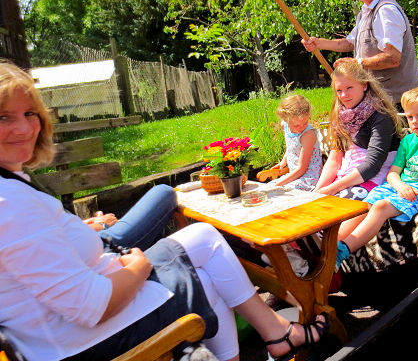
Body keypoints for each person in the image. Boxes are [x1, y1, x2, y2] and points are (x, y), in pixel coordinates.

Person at [0, 60, 328, 361]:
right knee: (203, 250)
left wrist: (82, 232)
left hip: (61, 329)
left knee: (202, 254)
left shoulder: (12, 185)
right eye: (4, 117)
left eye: (30, 114)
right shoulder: (10, 202)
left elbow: (38, 257)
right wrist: (139, 265)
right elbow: (91, 306)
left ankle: (274, 336)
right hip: (83, 341)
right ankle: (278, 334)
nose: (25, 128)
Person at [334, 86, 418, 267]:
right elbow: (393, 173)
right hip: (400, 187)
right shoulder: (407, 141)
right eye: (410, 117)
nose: (414, 121)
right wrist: (399, 186)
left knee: (380, 207)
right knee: (364, 206)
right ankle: (331, 246)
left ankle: (342, 251)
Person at [302, 0, 418, 105]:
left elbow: (393, 58)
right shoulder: (365, 12)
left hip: (400, 103)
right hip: (381, 102)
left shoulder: (386, 10)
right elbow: (348, 43)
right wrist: (318, 43)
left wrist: (357, 63)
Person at [313, 60, 404, 201]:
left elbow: (372, 165)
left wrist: (332, 189)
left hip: (374, 179)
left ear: (364, 85)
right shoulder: (340, 116)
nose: (344, 95)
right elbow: (334, 160)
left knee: (338, 205)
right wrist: (318, 191)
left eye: (349, 87)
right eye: (339, 90)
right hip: (345, 178)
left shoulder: (380, 116)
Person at [270, 94, 322, 191]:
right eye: (296, 125)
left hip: (309, 177)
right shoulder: (285, 126)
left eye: (305, 122)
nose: (302, 127)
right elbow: (291, 146)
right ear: (286, 120)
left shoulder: (308, 134)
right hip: (295, 174)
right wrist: (284, 161)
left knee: (279, 191)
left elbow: (302, 168)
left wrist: (278, 184)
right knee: (266, 188)